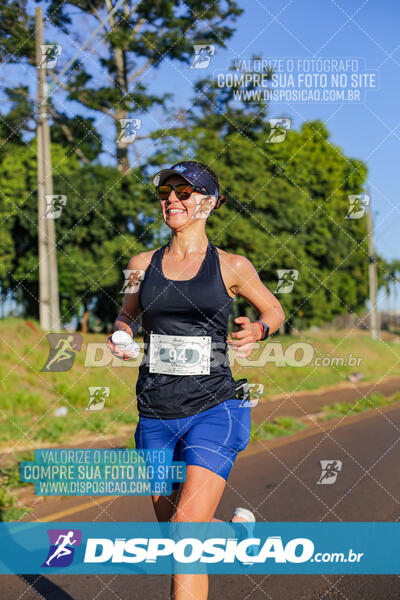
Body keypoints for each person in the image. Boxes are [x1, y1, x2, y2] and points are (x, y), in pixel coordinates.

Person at [107, 160, 285, 599]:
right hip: (156, 412)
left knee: (185, 537)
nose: (172, 199)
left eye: (184, 192)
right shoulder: (141, 263)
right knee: (176, 535)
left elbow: (274, 310)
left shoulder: (233, 266)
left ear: (209, 203)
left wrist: (258, 330)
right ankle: (232, 537)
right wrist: (123, 332)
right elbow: (128, 312)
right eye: (166, 192)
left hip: (215, 407)